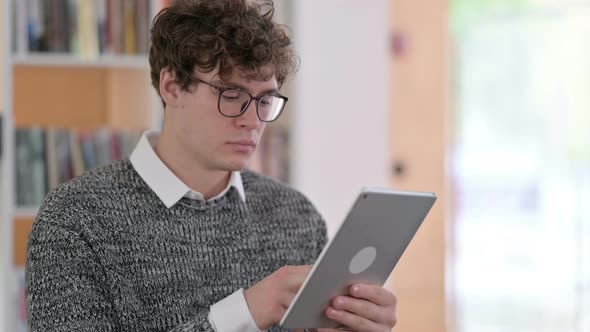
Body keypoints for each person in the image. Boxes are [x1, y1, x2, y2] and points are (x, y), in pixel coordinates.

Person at [25, 0, 398, 331]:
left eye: (264, 100)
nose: (252, 120)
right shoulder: (74, 220)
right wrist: (243, 314)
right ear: (171, 87)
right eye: (232, 95)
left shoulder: (296, 216)